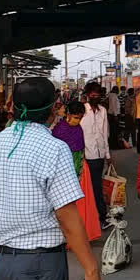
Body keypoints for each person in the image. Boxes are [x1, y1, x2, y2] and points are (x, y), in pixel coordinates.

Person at [0, 77, 107, 280]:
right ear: (54, 108)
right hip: (42, 265)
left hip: (3, 263)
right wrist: (91, 269)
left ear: (12, 107)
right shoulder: (54, 148)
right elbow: (67, 217)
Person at [52, 101, 102, 243]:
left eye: (80, 118)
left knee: (82, 204)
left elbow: (81, 149)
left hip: (81, 170)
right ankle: (69, 237)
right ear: (67, 114)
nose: (77, 121)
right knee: (67, 206)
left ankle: (83, 235)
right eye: (75, 117)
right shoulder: (58, 130)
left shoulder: (78, 128)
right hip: (63, 173)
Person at [80, 82, 111, 231]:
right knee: (90, 188)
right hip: (86, 154)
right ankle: (95, 218)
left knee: (97, 187)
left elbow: (105, 133)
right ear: (87, 94)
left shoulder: (103, 111)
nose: (95, 96)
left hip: (99, 154)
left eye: (97, 94)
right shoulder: (82, 110)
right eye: (93, 93)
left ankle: (101, 217)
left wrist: (107, 154)